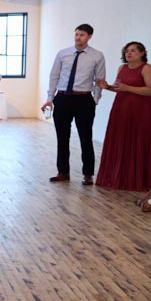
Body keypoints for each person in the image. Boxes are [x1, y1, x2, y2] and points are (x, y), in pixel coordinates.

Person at [41, 24, 106, 185]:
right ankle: (63, 172)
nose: (78, 37)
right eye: (76, 34)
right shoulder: (63, 54)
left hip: (84, 99)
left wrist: (96, 99)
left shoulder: (97, 56)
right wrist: (50, 98)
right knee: (62, 138)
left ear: (89, 36)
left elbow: (100, 79)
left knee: (86, 137)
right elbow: (54, 76)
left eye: (82, 35)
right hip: (63, 98)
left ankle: (88, 174)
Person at [94, 41, 151, 192]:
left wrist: (127, 88)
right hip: (121, 109)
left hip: (141, 111)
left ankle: (138, 180)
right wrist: (108, 87)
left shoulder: (147, 68)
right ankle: (118, 177)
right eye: (126, 51)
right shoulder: (121, 68)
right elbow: (120, 89)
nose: (129, 53)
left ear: (142, 53)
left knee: (138, 140)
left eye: (133, 51)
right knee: (120, 141)